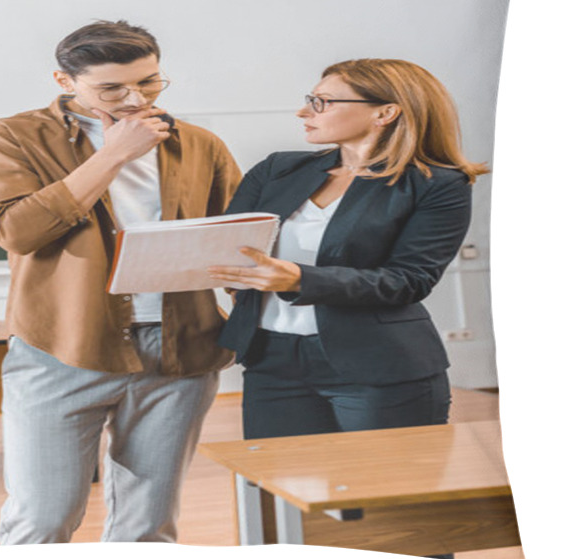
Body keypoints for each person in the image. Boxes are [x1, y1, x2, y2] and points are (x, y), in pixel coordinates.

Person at [0, 20, 241, 544]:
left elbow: (235, 238)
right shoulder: (11, 137)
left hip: (179, 351)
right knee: (41, 520)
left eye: (149, 82)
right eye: (112, 88)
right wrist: (113, 154)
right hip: (61, 347)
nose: (135, 98)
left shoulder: (200, 144)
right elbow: (16, 231)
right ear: (64, 79)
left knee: (148, 528)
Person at [207, 58, 487, 446]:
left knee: (386, 493)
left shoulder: (437, 184)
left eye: (323, 102)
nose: (304, 112)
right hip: (272, 358)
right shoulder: (276, 170)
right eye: (310, 100)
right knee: (279, 489)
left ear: (385, 112)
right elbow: (228, 246)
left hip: (379, 365)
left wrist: (299, 279)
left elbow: (409, 280)